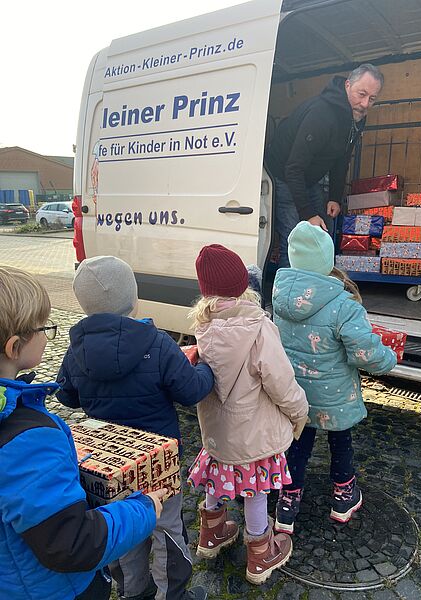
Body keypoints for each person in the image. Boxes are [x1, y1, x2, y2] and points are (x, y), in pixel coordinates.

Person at [0, 266, 166, 600]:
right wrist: (144, 508)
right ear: (14, 346)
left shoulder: (76, 350)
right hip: (55, 590)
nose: (49, 336)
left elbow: (66, 393)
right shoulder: (28, 438)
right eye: (44, 328)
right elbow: (71, 544)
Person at [56, 256, 214, 600]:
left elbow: (66, 396)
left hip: (107, 464)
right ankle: (171, 593)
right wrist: (205, 369)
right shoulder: (156, 343)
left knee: (122, 532)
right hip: (158, 464)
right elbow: (191, 391)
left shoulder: (75, 349)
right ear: (133, 297)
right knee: (167, 527)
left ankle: (132, 592)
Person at [186, 244, 309, 585]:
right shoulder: (258, 327)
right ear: (244, 284)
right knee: (256, 488)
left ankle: (211, 534)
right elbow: (280, 381)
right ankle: (260, 553)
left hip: (218, 433)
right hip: (253, 432)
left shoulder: (203, 327)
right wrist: (299, 411)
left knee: (217, 476)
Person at [271, 222, 397, 533]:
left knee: (297, 446)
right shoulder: (343, 304)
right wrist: (389, 359)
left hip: (295, 393)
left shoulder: (280, 297)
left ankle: (287, 504)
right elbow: (364, 351)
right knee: (341, 442)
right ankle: (343, 497)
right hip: (334, 396)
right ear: (328, 260)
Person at [265, 63, 384, 267]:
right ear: (348, 85)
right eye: (361, 94)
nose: (365, 104)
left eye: (371, 99)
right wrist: (308, 214)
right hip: (284, 176)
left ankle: (315, 291)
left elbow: (341, 159)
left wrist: (334, 198)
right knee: (296, 240)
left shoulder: (355, 117)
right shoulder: (322, 115)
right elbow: (293, 167)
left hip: (309, 178)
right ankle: (287, 297)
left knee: (323, 232)